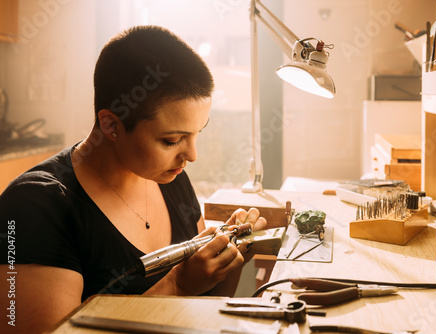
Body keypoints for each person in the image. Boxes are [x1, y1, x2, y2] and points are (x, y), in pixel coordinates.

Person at [0, 25, 266, 333]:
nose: (191, 155)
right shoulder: (35, 208)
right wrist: (177, 283)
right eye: (172, 140)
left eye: (196, 134)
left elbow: (203, 306)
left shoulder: (170, 179)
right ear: (112, 124)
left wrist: (230, 257)